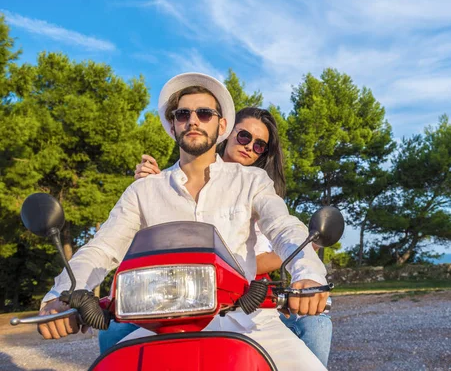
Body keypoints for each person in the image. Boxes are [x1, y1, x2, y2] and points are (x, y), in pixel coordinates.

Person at [36, 72, 329, 371]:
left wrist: (308, 275)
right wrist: (62, 295)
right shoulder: (144, 190)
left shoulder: (252, 180)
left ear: (222, 126)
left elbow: (283, 227)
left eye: (204, 113)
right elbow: (103, 247)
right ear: (173, 124)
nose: (193, 120)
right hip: (161, 327)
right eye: (183, 114)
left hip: (250, 322)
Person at [125, 106, 333, 366]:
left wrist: (307, 269)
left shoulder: (258, 187)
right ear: (225, 130)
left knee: (316, 327)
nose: (249, 147)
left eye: (259, 146)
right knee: (115, 336)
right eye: (244, 136)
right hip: (181, 294)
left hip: (248, 298)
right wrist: (150, 191)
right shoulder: (171, 180)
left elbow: (283, 229)